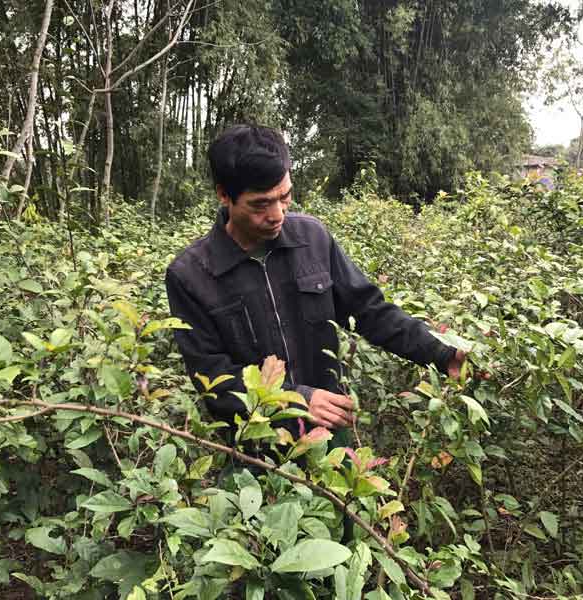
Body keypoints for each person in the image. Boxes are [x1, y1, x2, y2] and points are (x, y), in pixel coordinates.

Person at [165, 124, 465, 441]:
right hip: (254, 446)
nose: (277, 214)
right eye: (260, 204)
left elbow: (369, 310)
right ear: (224, 195)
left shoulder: (312, 238)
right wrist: (297, 399)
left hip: (329, 436)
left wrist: (442, 353)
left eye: (285, 197)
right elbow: (213, 377)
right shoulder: (190, 275)